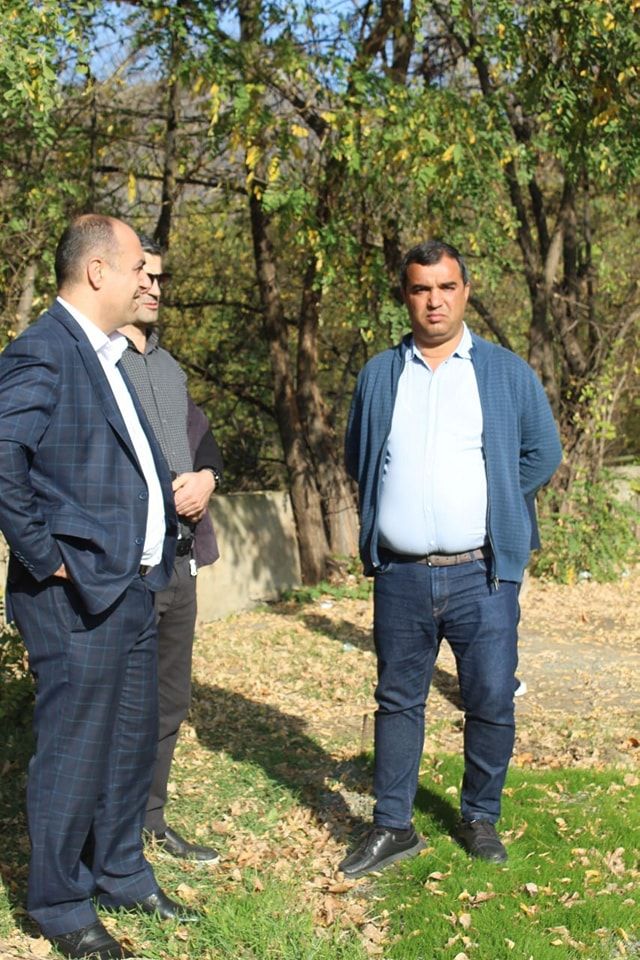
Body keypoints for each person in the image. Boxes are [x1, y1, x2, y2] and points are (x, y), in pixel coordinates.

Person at [0, 215, 199, 960]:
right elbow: (2, 455)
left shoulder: (108, 354)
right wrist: (46, 555)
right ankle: (59, 904)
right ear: (96, 272)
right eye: (138, 267)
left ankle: (121, 872)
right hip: (75, 593)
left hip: (135, 586)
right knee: (75, 749)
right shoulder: (45, 349)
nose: (149, 280)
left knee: (128, 743)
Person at [341, 240, 562, 878]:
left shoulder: (504, 372)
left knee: (491, 698)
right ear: (406, 297)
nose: (433, 301)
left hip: (482, 573)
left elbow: (543, 452)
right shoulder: (381, 375)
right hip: (401, 574)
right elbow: (360, 455)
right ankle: (392, 825)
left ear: (465, 291)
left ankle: (479, 816)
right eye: (420, 289)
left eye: (445, 287)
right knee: (397, 700)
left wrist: (497, 496)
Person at [118, 238, 223, 861]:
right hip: (127, 566)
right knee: (119, 706)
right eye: (144, 276)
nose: (154, 288)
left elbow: (203, 441)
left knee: (169, 701)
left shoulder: (168, 366)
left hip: (180, 562)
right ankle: (108, 830)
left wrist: (207, 477)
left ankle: (151, 819)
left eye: (160, 279)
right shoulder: (98, 361)